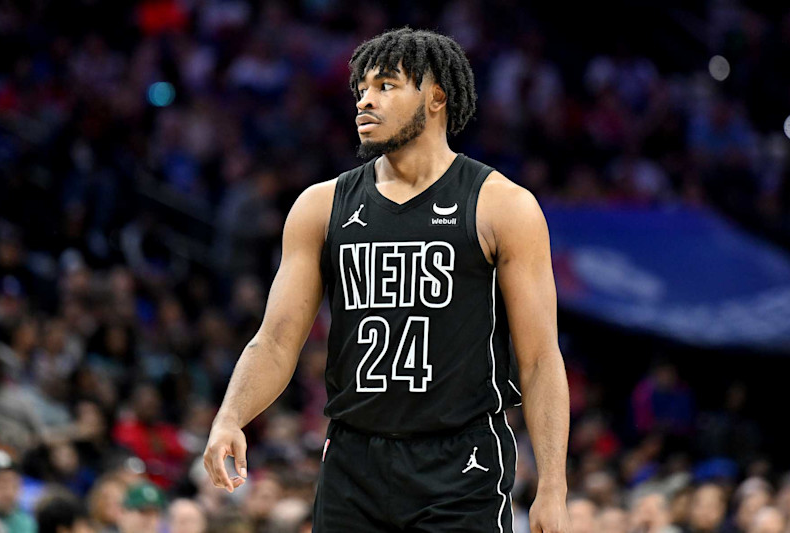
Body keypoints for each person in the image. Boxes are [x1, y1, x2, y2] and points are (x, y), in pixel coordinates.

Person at [204, 27, 571, 532]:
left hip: (461, 462)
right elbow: (274, 342)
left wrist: (553, 486)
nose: (365, 100)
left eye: (386, 86)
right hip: (354, 459)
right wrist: (230, 416)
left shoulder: (502, 206)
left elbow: (538, 359)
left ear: (437, 96)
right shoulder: (320, 206)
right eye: (361, 89)